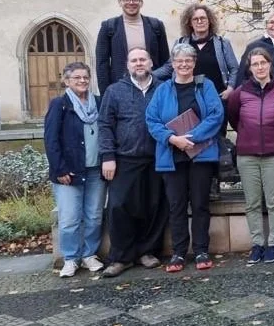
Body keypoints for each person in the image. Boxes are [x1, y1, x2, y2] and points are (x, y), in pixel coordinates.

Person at [146, 43, 225, 273]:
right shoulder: (162, 90)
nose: (183, 65)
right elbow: (152, 120)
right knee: (176, 206)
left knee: (200, 204)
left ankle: (201, 249)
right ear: (172, 63)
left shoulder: (205, 85)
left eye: (188, 60)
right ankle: (179, 252)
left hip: (199, 155)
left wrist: (192, 137)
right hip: (171, 156)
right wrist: (173, 139)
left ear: (194, 63)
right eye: (179, 61)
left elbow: (216, 115)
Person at [98, 47, 167, 278]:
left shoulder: (163, 88)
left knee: (154, 206)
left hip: (157, 157)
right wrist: (108, 156)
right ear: (127, 65)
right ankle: (121, 257)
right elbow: (105, 125)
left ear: (151, 63)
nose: (139, 63)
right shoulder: (114, 91)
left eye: (143, 59)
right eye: (134, 60)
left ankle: (147, 252)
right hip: (124, 158)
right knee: (118, 207)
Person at [227, 47, 274, 265]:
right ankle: (257, 244)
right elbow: (234, 119)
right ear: (250, 68)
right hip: (247, 155)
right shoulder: (240, 92)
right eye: (255, 64)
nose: (259, 67)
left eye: (263, 63)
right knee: (253, 203)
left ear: (269, 65)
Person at [44, 62, 105, 277]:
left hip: (95, 170)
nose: (82, 81)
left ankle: (89, 254)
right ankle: (70, 258)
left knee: (94, 216)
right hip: (69, 172)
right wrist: (59, 169)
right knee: (69, 218)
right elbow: (51, 140)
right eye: (77, 77)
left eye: (85, 77)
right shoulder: (59, 105)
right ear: (67, 81)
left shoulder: (98, 103)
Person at [153, 3, 239, 101]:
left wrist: (230, 89)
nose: (199, 21)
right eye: (195, 19)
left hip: (217, 97)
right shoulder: (181, 42)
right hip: (187, 97)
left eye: (203, 18)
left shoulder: (222, 43)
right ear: (190, 23)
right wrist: (149, 75)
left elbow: (234, 69)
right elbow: (169, 68)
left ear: (209, 21)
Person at [95, 0, 170, 94]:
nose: (131, 2)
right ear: (119, 2)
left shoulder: (156, 26)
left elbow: (165, 60)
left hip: (153, 88)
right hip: (121, 89)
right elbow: (102, 65)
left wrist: (165, 89)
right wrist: (105, 94)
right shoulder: (109, 27)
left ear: (141, 2)